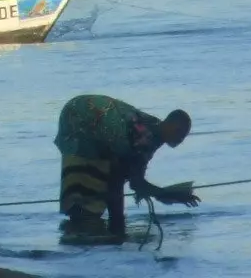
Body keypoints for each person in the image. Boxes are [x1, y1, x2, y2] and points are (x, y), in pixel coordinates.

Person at [55, 94, 198, 240]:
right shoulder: (144, 135)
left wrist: (166, 194)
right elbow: (127, 182)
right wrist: (118, 229)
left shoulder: (154, 133)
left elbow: (134, 175)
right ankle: (80, 233)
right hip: (79, 116)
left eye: (183, 136)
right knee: (85, 190)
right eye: (179, 133)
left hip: (94, 119)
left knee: (103, 183)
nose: (180, 140)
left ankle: (84, 231)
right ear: (169, 125)